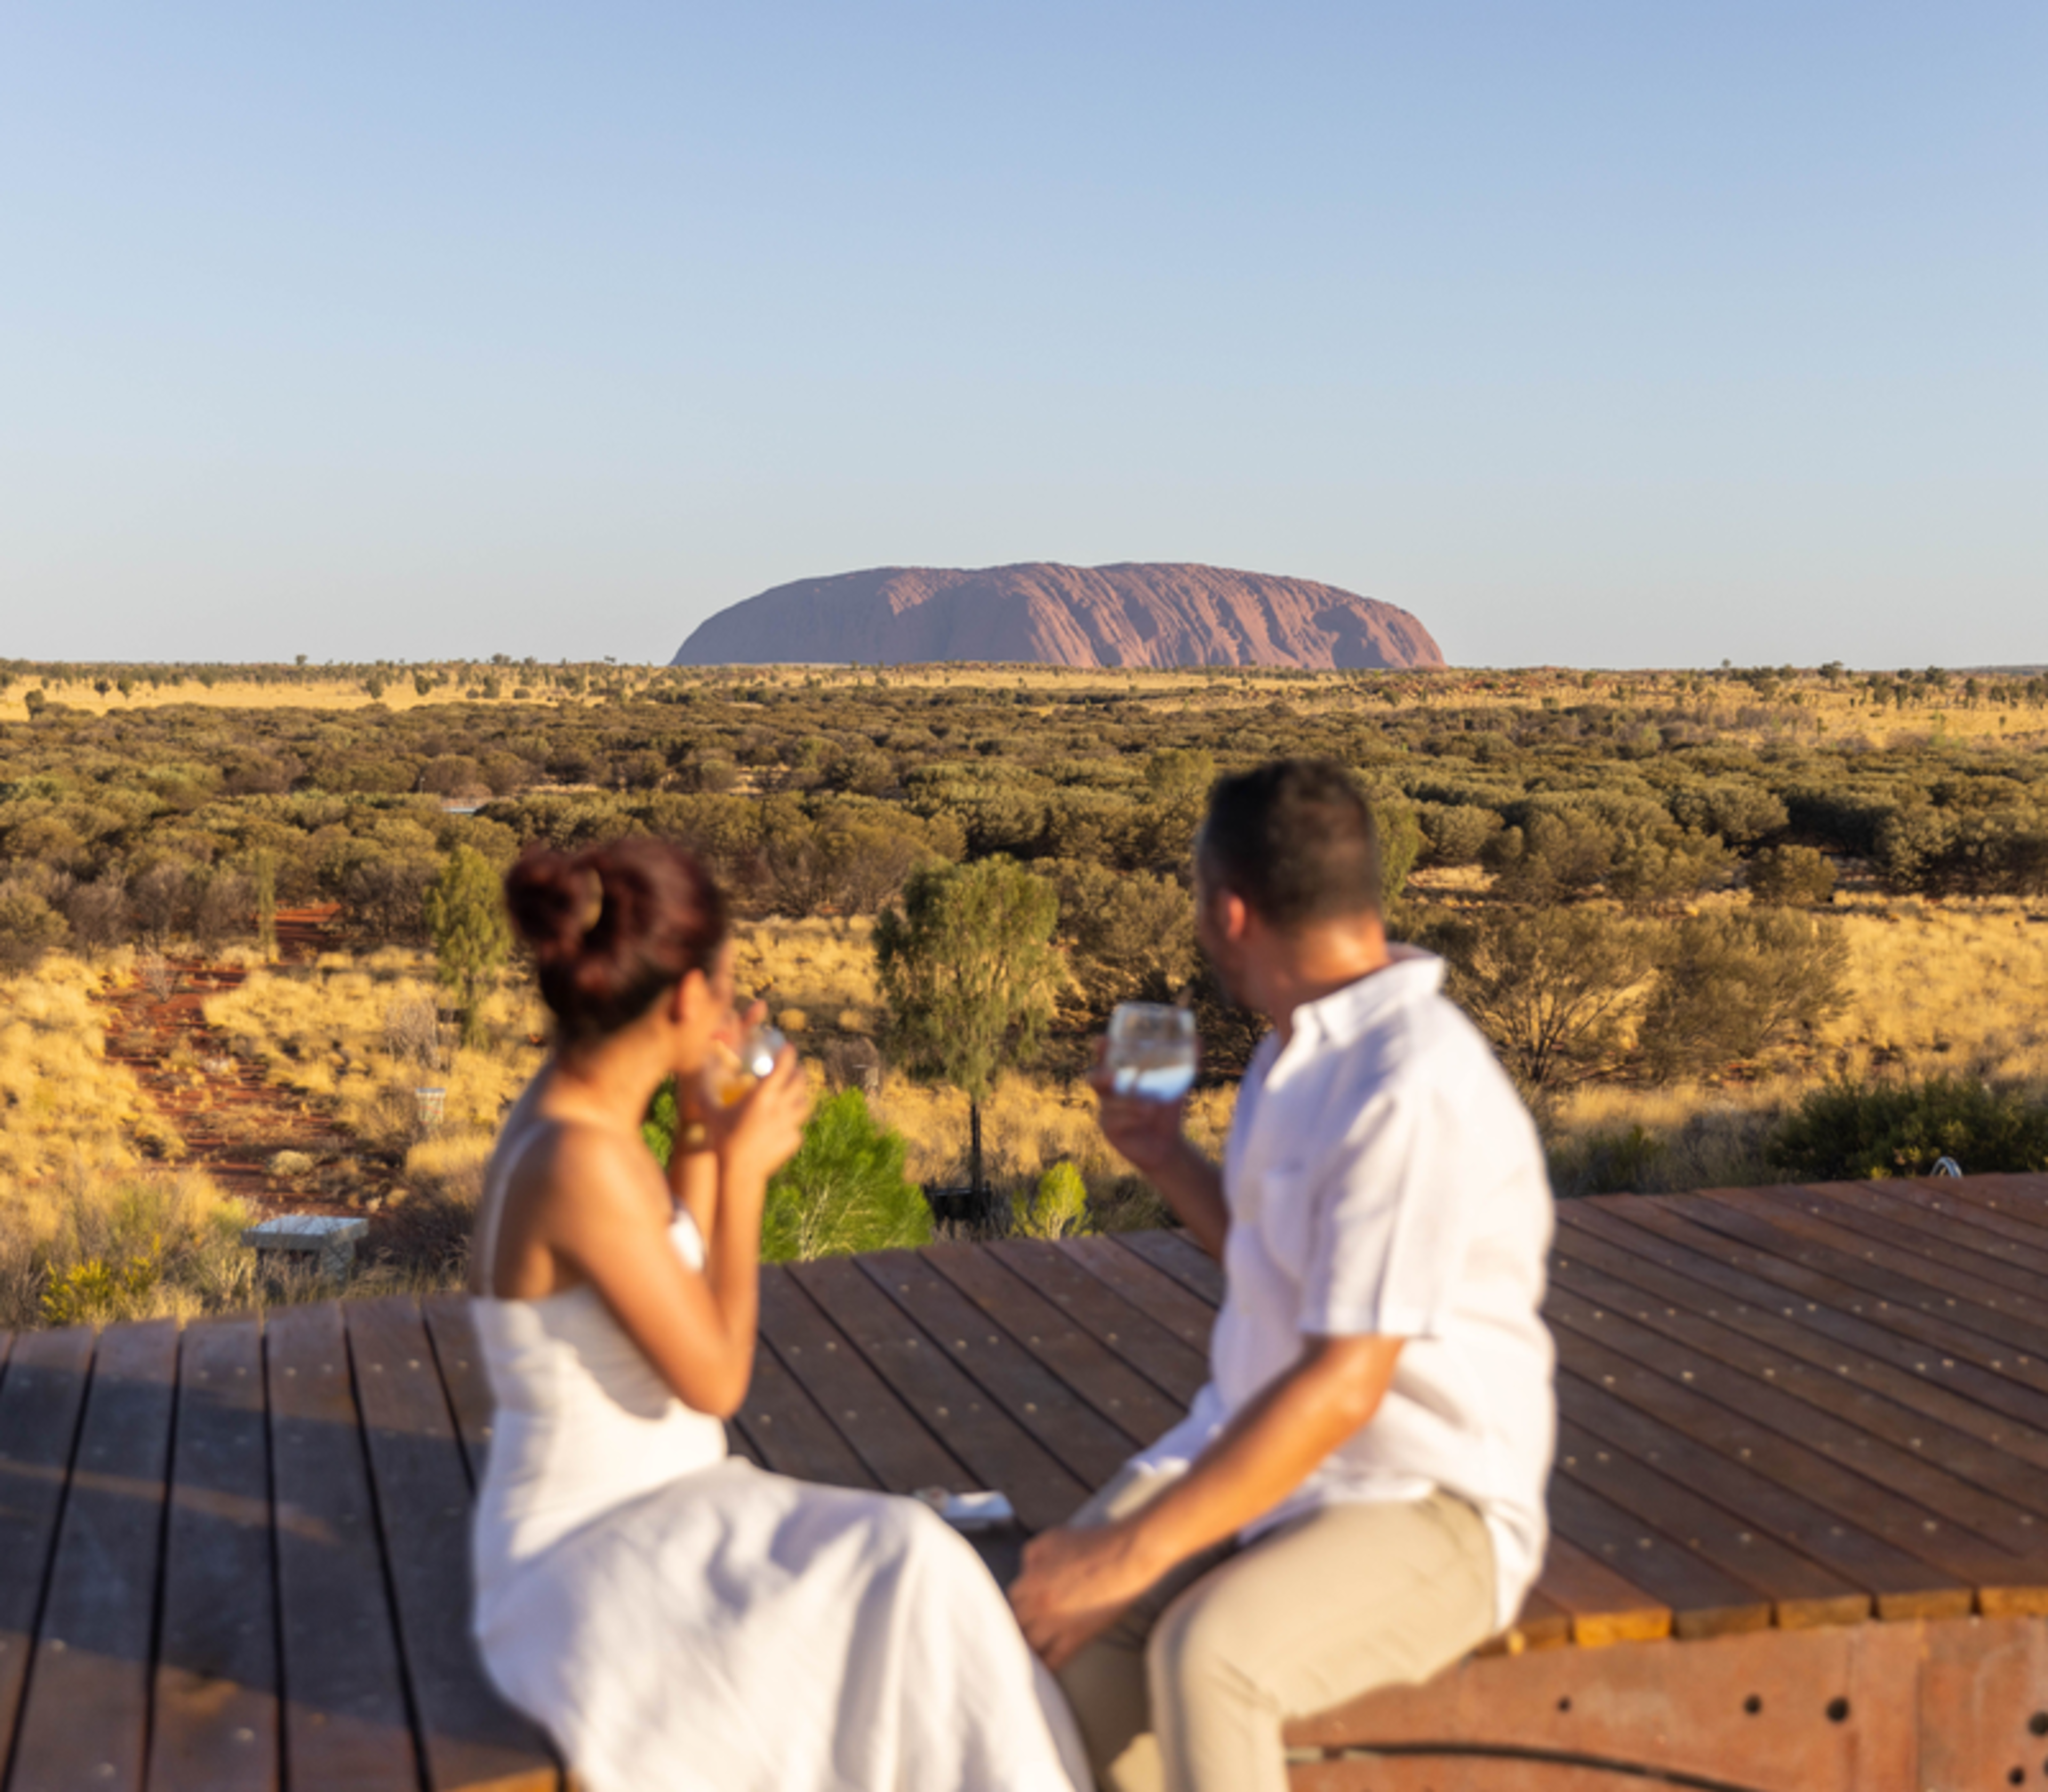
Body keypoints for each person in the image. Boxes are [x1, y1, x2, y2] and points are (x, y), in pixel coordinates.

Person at [468, 836, 1090, 1792]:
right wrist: (750, 1177)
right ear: (681, 1002)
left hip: (669, 1503)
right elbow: (716, 1375)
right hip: (585, 1554)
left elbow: (674, 1251)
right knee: (913, 1565)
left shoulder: (580, 1117)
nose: (731, 1011)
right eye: (720, 990)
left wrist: (709, 1134)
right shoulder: (577, 1159)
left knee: (918, 1571)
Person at [1009, 759, 1555, 1792]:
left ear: (1228, 911)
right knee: (1058, 1635)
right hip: (1271, 1460)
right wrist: (1167, 1158)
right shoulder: (1293, 1050)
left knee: (1208, 1656)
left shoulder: (1409, 1086)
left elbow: (1349, 1382)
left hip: (1427, 1499)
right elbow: (1275, 1274)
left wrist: (1129, 1556)